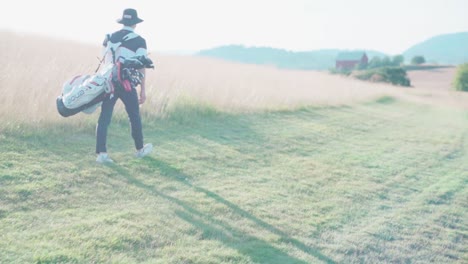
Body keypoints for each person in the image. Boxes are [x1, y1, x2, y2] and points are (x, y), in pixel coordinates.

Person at [95, 8, 153, 163]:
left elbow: (104, 59)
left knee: (104, 118)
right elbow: (141, 66)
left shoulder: (109, 38)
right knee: (134, 116)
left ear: (123, 22)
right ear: (135, 23)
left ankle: (101, 154)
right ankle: (140, 149)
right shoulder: (140, 41)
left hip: (109, 82)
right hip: (127, 83)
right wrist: (143, 90)